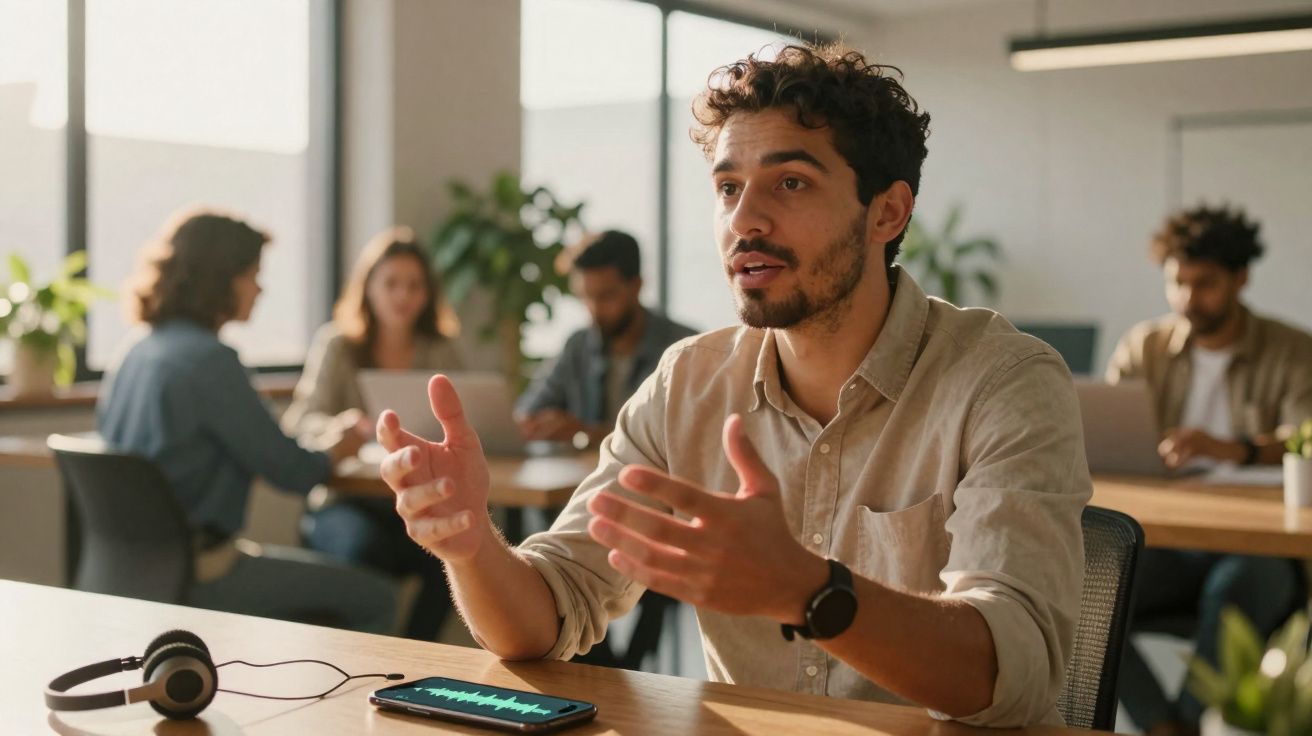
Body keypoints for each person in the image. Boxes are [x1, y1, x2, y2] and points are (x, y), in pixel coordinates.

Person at [378, 45, 1090, 728]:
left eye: (790, 182)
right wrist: (472, 547)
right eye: (727, 188)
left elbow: (1012, 674)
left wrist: (809, 591)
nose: (744, 220)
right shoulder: (688, 382)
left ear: (887, 212)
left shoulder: (1004, 380)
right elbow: (549, 613)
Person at [98, 207, 395, 634]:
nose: (260, 287)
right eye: (253, 274)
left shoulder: (135, 350)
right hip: (202, 575)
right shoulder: (210, 362)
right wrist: (337, 447)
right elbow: (291, 472)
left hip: (132, 573)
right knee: (376, 599)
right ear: (221, 279)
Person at [1108, 205, 1311, 736]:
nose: (1188, 299)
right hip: (1168, 536)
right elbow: (1106, 431)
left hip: (1261, 543)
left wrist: (1234, 449)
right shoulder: (1145, 346)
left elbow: (1306, 439)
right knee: (1090, 589)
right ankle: (1166, 728)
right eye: (1178, 282)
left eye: (1206, 284)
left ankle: (1192, 726)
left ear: (1240, 278)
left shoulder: (1292, 351)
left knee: (1234, 594)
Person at [283, 226, 463, 640]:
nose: (403, 296)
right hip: (345, 499)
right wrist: (339, 428)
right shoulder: (337, 345)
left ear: (428, 293)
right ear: (368, 289)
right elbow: (299, 421)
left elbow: (459, 419)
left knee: (455, 553)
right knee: (362, 550)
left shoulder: (440, 349)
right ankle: (364, 655)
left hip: (412, 497)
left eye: (415, 286)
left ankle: (413, 656)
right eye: (392, 284)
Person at [515, 230, 696, 448]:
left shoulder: (686, 349)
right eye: (586, 297)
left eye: (606, 296)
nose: (594, 310)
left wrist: (588, 434)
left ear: (636, 286)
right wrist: (540, 424)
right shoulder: (579, 345)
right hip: (583, 477)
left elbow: (681, 439)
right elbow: (528, 413)